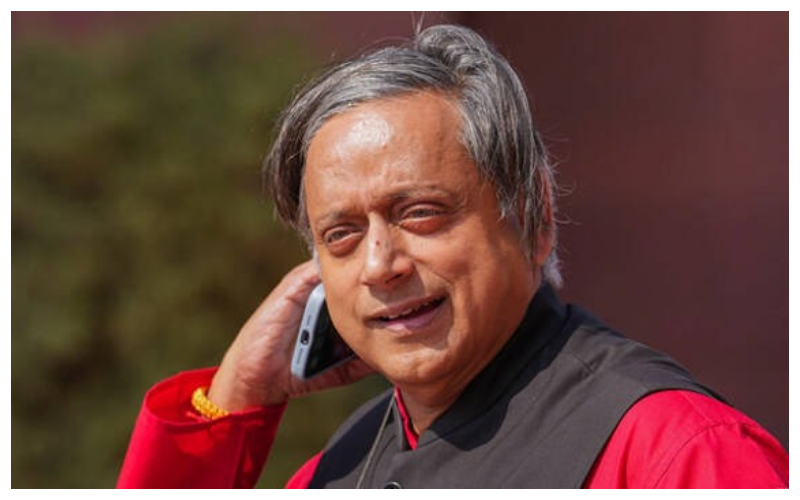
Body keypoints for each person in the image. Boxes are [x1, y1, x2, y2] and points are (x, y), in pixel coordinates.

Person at [116, 24, 788, 488]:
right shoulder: (338, 470)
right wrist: (236, 399)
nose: (380, 264)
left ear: (533, 213)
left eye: (419, 213)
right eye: (341, 234)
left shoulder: (676, 452)